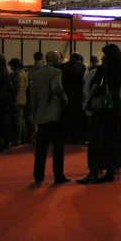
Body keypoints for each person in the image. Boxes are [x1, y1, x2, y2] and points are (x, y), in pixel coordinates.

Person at [78, 44, 121, 184]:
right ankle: (110, 171)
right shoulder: (119, 70)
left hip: (101, 111)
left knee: (96, 140)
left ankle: (94, 171)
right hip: (114, 108)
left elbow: (93, 89)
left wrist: (87, 106)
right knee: (112, 141)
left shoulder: (101, 70)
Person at [30, 51, 70, 185]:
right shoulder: (56, 72)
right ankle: (58, 174)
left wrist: (35, 114)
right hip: (55, 115)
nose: (60, 61)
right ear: (54, 59)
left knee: (41, 148)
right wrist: (65, 101)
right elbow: (57, 87)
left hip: (41, 115)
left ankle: (38, 174)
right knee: (58, 147)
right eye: (59, 58)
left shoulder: (35, 75)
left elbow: (33, 97)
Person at [61, 53, 87, 144]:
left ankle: (68, 136)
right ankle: (78, 136)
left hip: (66, 95)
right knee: (78, 117)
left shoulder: (63, 68)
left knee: (67, 117)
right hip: (79, 96)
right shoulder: (82, 67)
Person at [8, 58, 28, 146]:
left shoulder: (19, 75)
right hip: (22, 99)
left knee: (17, 120)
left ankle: (17, 139)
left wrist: (16, 100)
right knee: (21, 119)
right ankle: (22, 138)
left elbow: (19, 89)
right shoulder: (22, 73)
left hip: (18, 99)